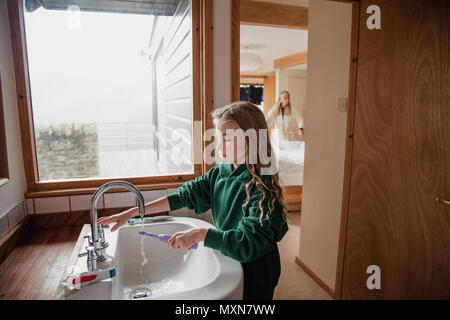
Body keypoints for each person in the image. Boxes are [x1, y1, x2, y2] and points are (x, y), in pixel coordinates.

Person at [98, 101, 288, 300]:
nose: (219, 146)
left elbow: (246, 244)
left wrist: (200, 234)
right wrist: (135, 212)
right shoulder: (220, 173)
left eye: (228, 139)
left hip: (255, 275)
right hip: (229, 259)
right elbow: (184, 195)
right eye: (218, 137)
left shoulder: (264, 190)